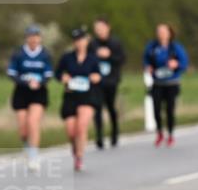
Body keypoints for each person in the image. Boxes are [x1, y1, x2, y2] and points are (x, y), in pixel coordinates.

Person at [7, 25, 54, 171]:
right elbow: (11, 73)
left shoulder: (45, 54)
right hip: (21, 92)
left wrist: (39, 83)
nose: (33, 39)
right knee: (23, 129)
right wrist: (26, 82)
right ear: (26, 38)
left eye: (36, 36)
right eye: (30, 36)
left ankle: (34, 156)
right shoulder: (18, 53)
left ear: (40, 38)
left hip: (38, 93)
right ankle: (26, 145)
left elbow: (48, 74)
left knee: (33, 122)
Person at [56, 27, 102, 171]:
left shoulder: (93, 58)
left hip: (88, 96)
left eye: (81, 40)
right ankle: (75, 150)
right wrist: (63, 77)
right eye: (76, 40)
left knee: (81, 127)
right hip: (71, 96)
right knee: (71, 132)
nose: (79, 43)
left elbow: (99, 75)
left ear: (86, 41)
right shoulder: (67, 57)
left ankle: (80, 157)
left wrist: (96, 77)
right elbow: (57, 73)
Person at [143, 23, 189, 147]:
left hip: (171, 83)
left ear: (169, 33)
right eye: (159, 32)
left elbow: (184, 63)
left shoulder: (176, 48)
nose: (161, 34)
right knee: (156, 109)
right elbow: (146, 60)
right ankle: (159, 133)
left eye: (164, 32)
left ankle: (170, 134)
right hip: (157, 82)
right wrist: (148, 67)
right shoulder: (152, 47)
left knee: (169, 110)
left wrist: (176, 64)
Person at [89, 17, 126, 149]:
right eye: (97, 29)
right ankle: (99, 137)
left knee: (110, 107)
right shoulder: (92, 44)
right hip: (97, 81)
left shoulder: (115, 43)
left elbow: (122, 59)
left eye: (101, 28)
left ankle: (114, 133)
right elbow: (87, 60)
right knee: (97, 108)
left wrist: (109, 56)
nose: (99, 31)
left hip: (111, 80)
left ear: (108, 27)